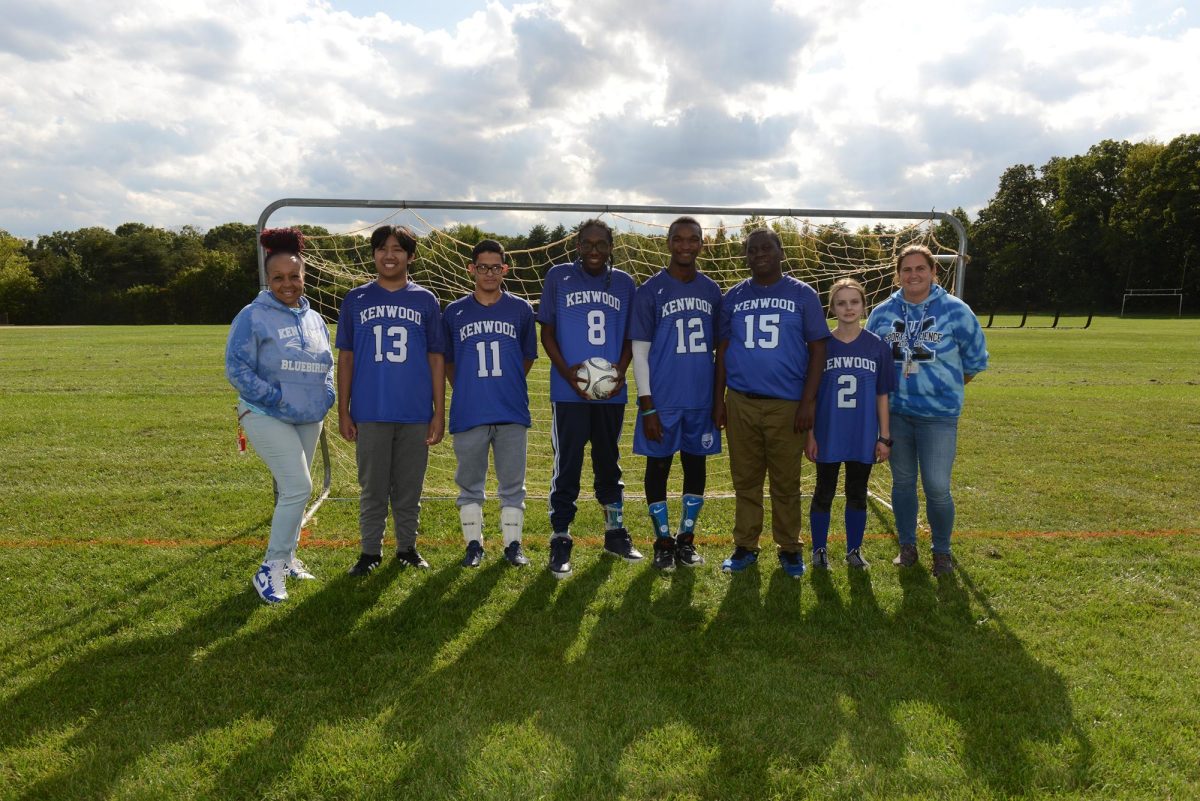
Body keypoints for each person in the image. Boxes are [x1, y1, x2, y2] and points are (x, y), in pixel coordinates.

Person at [225, 228, 335, 604]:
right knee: (298, 487)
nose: (287, 284)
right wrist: (276, 397)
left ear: (304, 276)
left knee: (293, 491)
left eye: (294, 276)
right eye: (278, 278)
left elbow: (328, 365)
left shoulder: (314, 318)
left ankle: (287, 559)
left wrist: (327, 396)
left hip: (309, 415)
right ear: (267, 279)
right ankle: (269, 569)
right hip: (265, 413)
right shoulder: (252, 316)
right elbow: (237, 369)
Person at [866, 244, 988, 577]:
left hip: (938, 417)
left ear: (934, 272)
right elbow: (871, 362)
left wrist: (943, 388)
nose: (914, 275)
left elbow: (975, 361)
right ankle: (907, 546)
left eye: (921, 268)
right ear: (898, 274)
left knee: (936, 485)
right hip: (896, 415)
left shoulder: (956, 311)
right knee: (903, 484)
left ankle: (942, 551)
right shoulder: (882, 314)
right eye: (907, 269)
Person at [713, 228, 828, 578]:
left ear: (781, 252)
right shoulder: (732, 296)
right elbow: (723, 352)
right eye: (752, 249)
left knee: (785, 480)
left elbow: (818, 348)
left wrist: (808, 401)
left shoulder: (802, 294)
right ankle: (745, 544)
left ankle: (790, 547)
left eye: (766, 247)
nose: (759, 253)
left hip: (786, 404)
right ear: (745, 256)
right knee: (745, 480)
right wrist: (719, 400)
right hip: (742, 402)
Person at [336, 224, 445, 576]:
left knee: (409, 487)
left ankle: (407, 547)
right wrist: (344, 410)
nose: (389, 255)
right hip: (370, 410)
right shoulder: (356, 299)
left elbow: (435, 358)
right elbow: (347, 358)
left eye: (398, 248)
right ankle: (369, 552)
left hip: (414, 411)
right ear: (373, 254)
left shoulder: (425, 300)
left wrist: (438, 412)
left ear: (411, 256)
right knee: (372, 488)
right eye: (382, 248)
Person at [537, 219, 638, 579]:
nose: (594, 251)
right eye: (587, 244)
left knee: (609, 463)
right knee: (567, 466)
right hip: (569, 393)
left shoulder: (625, 283)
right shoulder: (558, 277)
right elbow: (547, 332)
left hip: (610, 393)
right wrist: (568, 374)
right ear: (577, 246)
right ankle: (560, 536)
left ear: (611, 246)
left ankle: (614, 533)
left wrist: (619, 373)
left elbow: (631, 336)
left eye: (601, 244)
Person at [630, 216, 722, 571]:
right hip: (663, 400)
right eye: (679, 239)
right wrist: (647, 405)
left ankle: (686, 539)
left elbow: (719, 351)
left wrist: (717, 400)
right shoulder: (651, 290)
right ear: (668, 243)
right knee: (659, 467)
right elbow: (639, 352)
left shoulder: (712, 291)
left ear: (702, 244)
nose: (686, 245)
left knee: (695, 466)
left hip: (699, 399)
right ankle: (662, 541)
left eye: (693, 239)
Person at [443, 240, 538, 568]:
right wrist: (469, 387)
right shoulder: (454, 312)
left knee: (513, 484)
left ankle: (513, 545)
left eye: (495, 267)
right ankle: (474, 545)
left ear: (505, 270)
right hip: (469, 410)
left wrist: (504, 383)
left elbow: (526, 358)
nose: (488, 273)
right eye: (482, 266)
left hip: (511, 409)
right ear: (471, 269)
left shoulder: (521, 309)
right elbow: (449, 363)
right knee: (470, 483)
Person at [805, 278, 895, 570]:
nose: (848, 308)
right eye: (841, 303)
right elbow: (812, 396)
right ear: (832, 308)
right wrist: (810, 435)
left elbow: (882, 395)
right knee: (824, 492)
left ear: (863, 305)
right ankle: (819, 551)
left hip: (862, 434)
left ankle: (854, 550)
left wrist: (885, 437)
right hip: (828, 433)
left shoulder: (877, 346)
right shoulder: (821, 346)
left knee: (857, 492)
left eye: (854, 302)